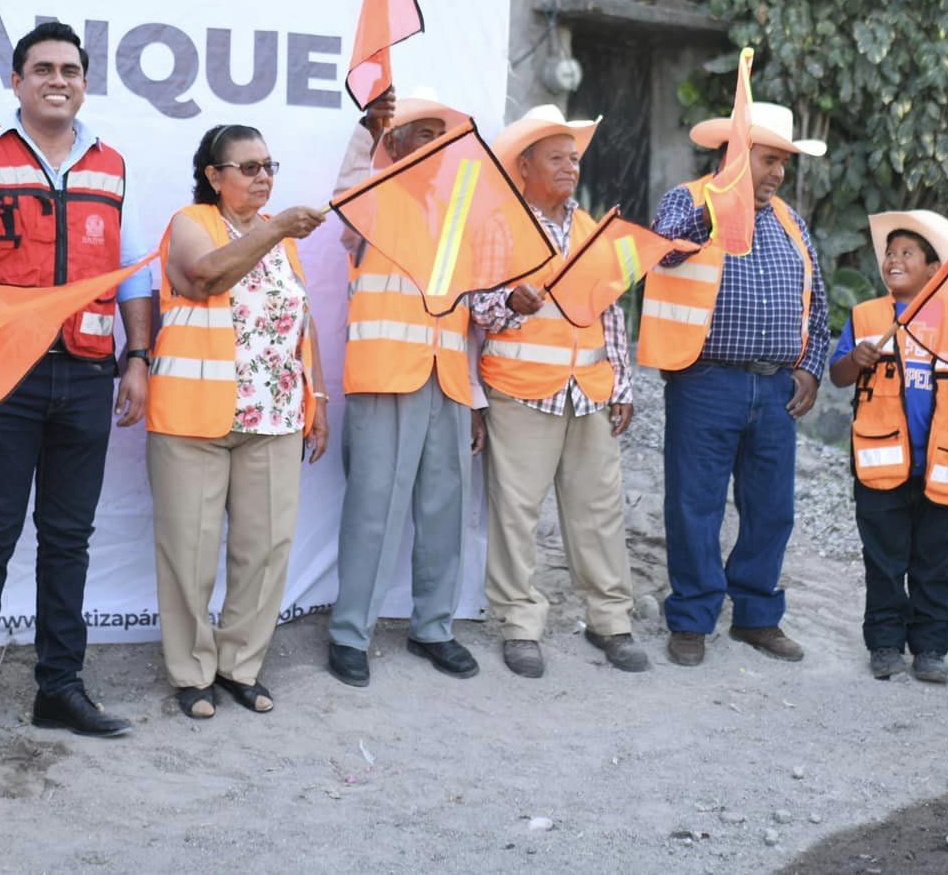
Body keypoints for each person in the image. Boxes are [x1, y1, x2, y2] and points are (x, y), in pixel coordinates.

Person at [0, 21, 155, 759]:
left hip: (88, 371)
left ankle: (60, 688)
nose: (58, 79)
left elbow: (134, 272)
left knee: (68, 541)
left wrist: (139, 356)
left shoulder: (112, 163)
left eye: (70, 69)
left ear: (84, 81)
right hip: (6, 374)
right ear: (17, 80)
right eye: (43, 68)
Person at [147, 125, 327, 718]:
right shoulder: (190, 223)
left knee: (266, 549)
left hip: (274, 416)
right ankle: (191, 672)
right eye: (247, 167)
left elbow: (300, 318)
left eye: (269, 165)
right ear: (213, 176)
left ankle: (239, 665)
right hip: (194, 419)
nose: (263, 177)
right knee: (189, 552)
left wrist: (316, 397)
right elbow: (204, 277)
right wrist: (274, 227)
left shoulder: (285, 241)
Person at [644, 103, 830, 667]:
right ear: (735, 156)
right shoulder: (688, 201)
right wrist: (717, 206)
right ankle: (693, 618)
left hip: (775, 388)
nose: (777, 173)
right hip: (706, 381)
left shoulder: (791, 222)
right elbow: (664, 248)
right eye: (769, 159)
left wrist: (811, 367)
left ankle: (756, 616)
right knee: (695, 505)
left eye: (783, 163)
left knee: (772, 509)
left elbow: (817, 305)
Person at [468, 104, 647, 679]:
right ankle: (519, 625)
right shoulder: (500, 226)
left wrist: (622, 381)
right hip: (521, 390)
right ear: (525, 166)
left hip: (588, 390)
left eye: (574, 158)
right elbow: (476, 306)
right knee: (516, 514)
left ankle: (610, 620)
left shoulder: (592, 226)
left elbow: (609, 310)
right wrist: (509, 306)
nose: (571, 167)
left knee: (599, 511)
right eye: (557, 158)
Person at [327, 90, 481, 689]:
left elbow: (463, 309)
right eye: (423, 134)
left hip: (447, 380)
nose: (435, 147)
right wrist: (366, 130)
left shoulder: (457, 216)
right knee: (373, 510)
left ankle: (434, 628)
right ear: (394, 143)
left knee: (445, 511)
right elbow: (343, 195)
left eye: (441, 138)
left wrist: (476, 398)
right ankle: (349, 635)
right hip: (387, 376)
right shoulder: (371, 200)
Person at [829, 212, 948, 684]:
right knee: (883, 559)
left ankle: (930, 648)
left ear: (933, 269)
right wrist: (854, 361)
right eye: (890, 253)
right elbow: (839, 377)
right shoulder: (867, 317)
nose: (894, 260)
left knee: (936, 562)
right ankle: (884, 643)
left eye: (907, 253)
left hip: (946, 463)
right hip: (880, 464)